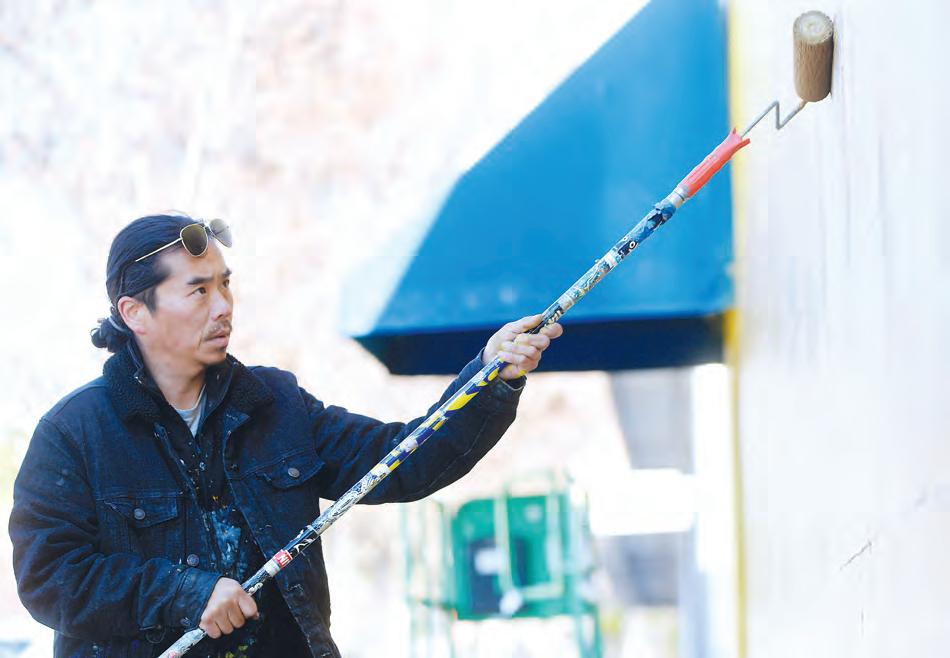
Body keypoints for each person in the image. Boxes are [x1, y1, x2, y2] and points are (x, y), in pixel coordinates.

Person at [9, 214, 563, 658]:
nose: (224, 307)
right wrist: (184, 593)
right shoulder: (73, 433)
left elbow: (403, 461)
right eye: (198, 291)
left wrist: (489, 378)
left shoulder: (274, 404)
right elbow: (49, 578)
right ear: (135, 313)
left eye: (226, 284)